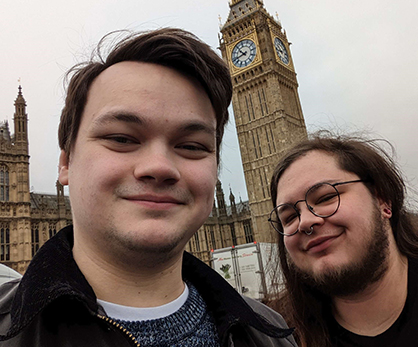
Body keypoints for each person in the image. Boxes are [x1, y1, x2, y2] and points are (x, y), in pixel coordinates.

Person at [0, 28, 297, 347]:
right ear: (66, 163)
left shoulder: (271, 333)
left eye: (192, 145)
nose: (158, 166)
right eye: (121, 138)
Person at [268, 132, 418, 347]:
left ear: (383, 199)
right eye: (289, 217)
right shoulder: (273, 336)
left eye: (326, 197)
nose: (305, 222)